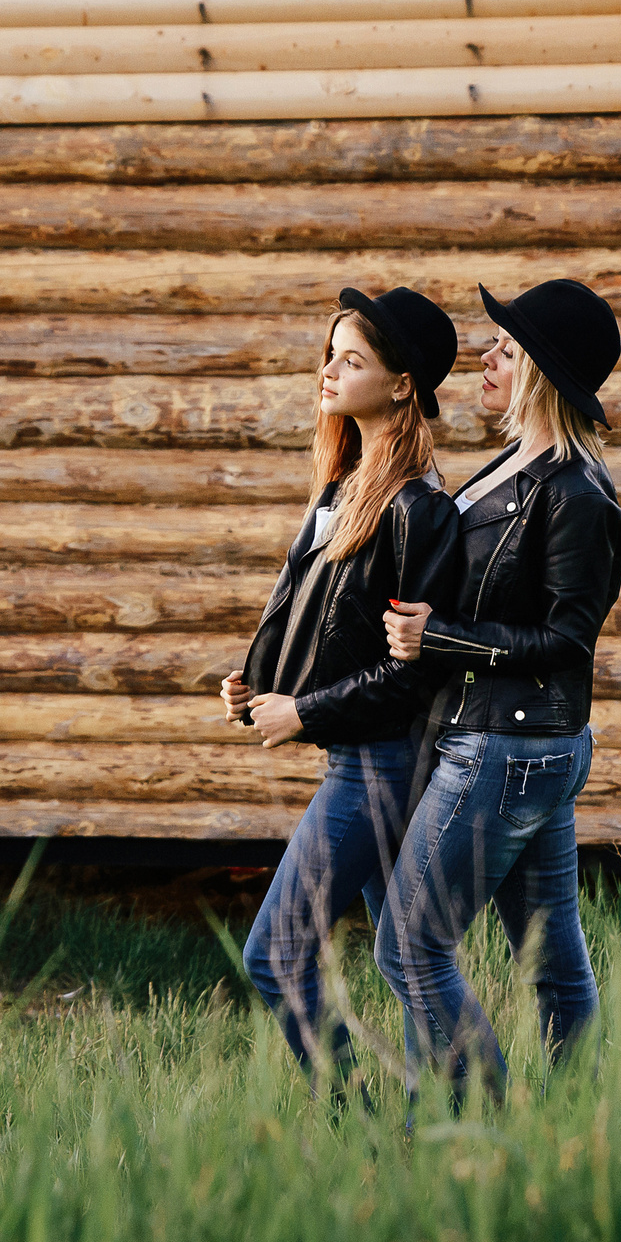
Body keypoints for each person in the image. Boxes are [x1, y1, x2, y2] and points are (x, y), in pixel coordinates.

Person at [375, 278, 621, 1104]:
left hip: (511, 745)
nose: (488, 356)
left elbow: (567, 640)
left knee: (408, 945)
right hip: (511, 742)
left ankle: (478, 1116)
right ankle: (582, 1127)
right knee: (552, 963)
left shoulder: (574, 494)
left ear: (543, 377)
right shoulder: (511, 467)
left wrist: (438, 639)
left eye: (509, 351)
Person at [222, 287, 464, 1080]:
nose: (327, 371)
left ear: (402, 385)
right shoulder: (345, 487)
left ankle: (356, 1118)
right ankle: (439, 1122)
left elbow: (409, 670)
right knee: (410, 965)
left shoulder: (416, 509)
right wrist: (259, 685)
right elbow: (320, 620)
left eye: (351, 360)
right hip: (356, 760)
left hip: (381, 766)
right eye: (329, 354)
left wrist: (307, 711)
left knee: (276, 956)